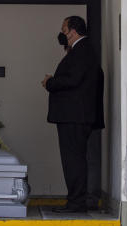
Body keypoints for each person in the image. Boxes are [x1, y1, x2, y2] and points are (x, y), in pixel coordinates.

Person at [41, 16, 102, 213]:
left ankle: (76, 202)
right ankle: (76, 200)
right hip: (77, 116)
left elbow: (73, 80)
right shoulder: (83, 51)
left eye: (64, 30)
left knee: (73, 160)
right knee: (75, 159)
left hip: (74, 116)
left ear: (73, 31)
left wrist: (50, 82)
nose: (62, 34)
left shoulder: (82, 51)